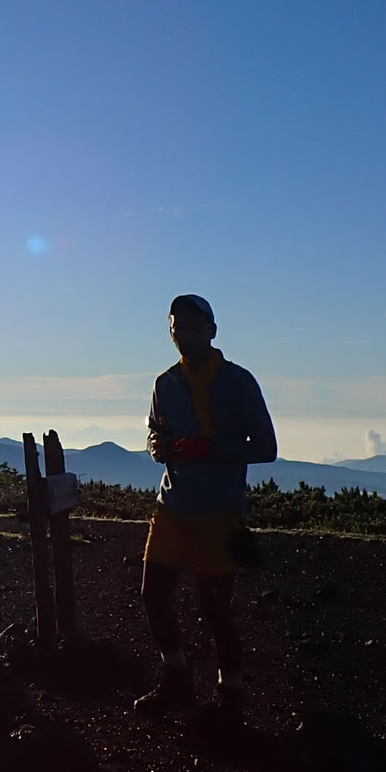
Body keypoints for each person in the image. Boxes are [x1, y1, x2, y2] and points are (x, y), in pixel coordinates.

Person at [133, 294, 276, 723]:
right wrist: (157, 448)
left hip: (220, 511)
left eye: (196, 328)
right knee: (152, 595)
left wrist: (208, 449)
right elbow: (155, 436)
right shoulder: (164, 384)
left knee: (215, 606)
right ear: (170, 332)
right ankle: (176, 676)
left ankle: (230, 697)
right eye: (179, 328)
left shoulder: (239, 381)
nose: (186, 336)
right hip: (172, 504)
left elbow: (267, 448)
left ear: (212, 331)